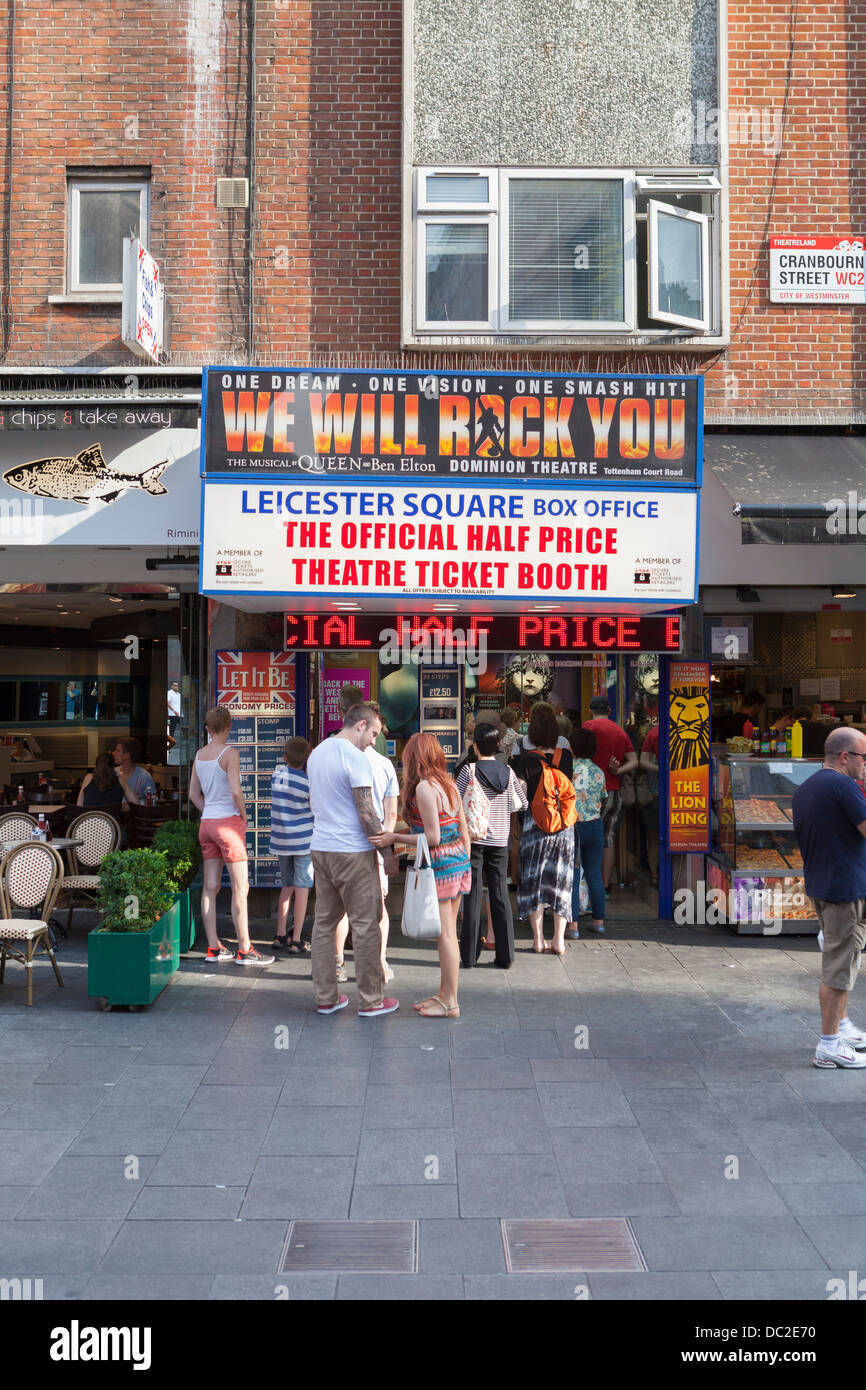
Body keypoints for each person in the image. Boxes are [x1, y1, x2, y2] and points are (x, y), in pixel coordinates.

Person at [307, 702, 398, 1018]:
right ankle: (372, 1000)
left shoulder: (317, 753)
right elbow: (366, 813)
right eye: (373, 733)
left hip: (321, 847)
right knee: (365, 925)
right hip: (353, 852)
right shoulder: (356, 759)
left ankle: (326, 998)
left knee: (323, 923)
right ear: (360, 725)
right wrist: (387, 854)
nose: (374, 741)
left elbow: (312, 801)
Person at [371, 731, 471, 1017]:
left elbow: (433, 837)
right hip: (458, 863)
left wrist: (394, 839)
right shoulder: (448, 783)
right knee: (447, 934)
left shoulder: (425, 788)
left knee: (447, 936)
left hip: (441, 866)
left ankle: (451, 1002)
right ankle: (444, 994)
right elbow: (461, 830)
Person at [792, 727, 866, 1069]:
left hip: (824, 885)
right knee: (838, 967)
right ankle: (829, 1043)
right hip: (843, 890)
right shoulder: (843, 785)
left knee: (846, 960)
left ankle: (840, 1031)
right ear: (845, 756)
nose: (865, 765)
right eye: (864, 758)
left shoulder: (807, 786)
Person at [189, 707, 273, 966]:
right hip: (228, 825)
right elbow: (236, 791)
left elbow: (193, 794)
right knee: (241, 887)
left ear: (207, 728)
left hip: (207, 824)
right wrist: (244, 815)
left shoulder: (199, 754)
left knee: (209, 888)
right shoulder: (230, 753)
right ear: (229, 726)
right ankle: (245, 949)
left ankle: (213, 948)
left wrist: (210, 814)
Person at [334, 700, 399, 983]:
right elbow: (390, 812)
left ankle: (338, 963)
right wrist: (386, 847)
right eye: (376, 733)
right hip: (372, 845)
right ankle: (380, 962)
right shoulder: (384, 764)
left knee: (342, 910)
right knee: (377, 910)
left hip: (341, 844)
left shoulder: (334, 755)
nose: (376, 738)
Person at [456, 722, 527, 968]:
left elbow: (456, 801)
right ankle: (506, 956)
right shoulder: (507, 772)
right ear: (497, 746)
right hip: (499, 840)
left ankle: (468, 955)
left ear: (475, 746)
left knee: (473, 895)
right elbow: (524, 804)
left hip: (474, 839)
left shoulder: (469, 771)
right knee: (500, 894)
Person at [510, 702, 575, 955]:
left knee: (533, 880)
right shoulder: (566, 756)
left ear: (532, 734)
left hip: (534, 825)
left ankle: (538, 940)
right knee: (561, 880)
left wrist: (520, 817)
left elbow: (520, 795)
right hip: (563, 827)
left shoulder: (525, 759)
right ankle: (559, 939)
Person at [583, 695, 638, 889]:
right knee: (608, 838)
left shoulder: (589, 727)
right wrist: (618, 770)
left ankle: (586, 884)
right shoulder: (620, 732)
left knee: (585, 837)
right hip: (614, 791)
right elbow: (634, 761)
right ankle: (604, 885)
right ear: (609, 711)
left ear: (591, 711)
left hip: (589, 792)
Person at [269, 736, 314, 954]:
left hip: (281, 841)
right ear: (307, 759)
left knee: (286, 885)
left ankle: (280, 934)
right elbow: (314, 808)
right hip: (304, 842)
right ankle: (296, 939)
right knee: (302, 887)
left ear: (285, 757)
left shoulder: (277, 774)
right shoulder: (308, 783)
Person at [566, 727, 607, 938]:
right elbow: (603, 795)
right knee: (594, 873)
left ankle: (572, 926)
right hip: (594, 825)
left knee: (572, 875)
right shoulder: (598, 771)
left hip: (573, 825)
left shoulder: (567, 769)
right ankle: (598, 921)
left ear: (571, 747)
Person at [638, 719, 661, 886]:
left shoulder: (654, 733)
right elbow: (643, 761)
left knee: (653, 838)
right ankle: (658, 875)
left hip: (656, 793)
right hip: (659, 794)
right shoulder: (655, 733)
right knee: (655, 836)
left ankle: (655, 875)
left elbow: (643, 761)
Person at [111, 738, 157, 804]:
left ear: (127, 756)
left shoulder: (144, 776)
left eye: (117, 751)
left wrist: (138, 802)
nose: (113, 753)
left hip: (135, 813)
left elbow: (153, 801)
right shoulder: (113, 773)